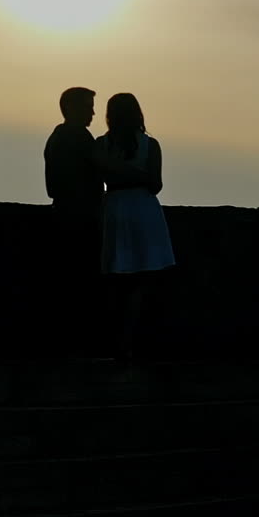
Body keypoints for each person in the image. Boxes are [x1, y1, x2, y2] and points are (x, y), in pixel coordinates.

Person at [95, 92, 175, 361]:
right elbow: (156, 184)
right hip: (143, 209)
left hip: (115, 207)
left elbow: (100, 177)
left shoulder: (101, 145)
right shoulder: (150, 144)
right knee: (142, 277)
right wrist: (138, 174)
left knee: (117, 277)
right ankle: (129, 341)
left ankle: (118, 341)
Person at [43, 87, 105, 353]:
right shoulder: (79, 137)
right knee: (80, 285)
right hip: (80, 217)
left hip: (64, 213)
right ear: (71, 108)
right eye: (87, 106)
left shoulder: (57, 137)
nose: (92, 112)